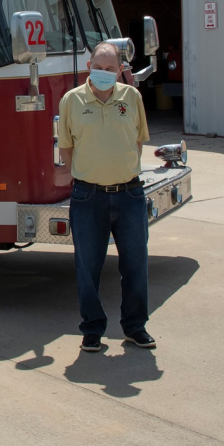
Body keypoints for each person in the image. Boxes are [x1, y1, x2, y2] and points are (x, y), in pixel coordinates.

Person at [55, 41, 152, 352]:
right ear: (89, 67)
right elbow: (66, 148)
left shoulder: (132, 97)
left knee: (136, 264)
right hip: (88, 197)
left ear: (121, 70)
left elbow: (138, 142)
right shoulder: (71, 101)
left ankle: (135, 327)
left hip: (129, 195)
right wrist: (87, 176)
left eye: (111, 69)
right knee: (88, 266)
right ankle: (92, 330)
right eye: (99, 68)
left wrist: (120, 171)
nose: (105, 74)